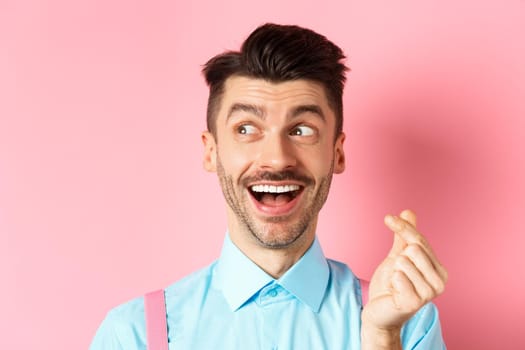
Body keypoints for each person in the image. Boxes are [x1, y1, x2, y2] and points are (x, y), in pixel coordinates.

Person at [90, 23, 448, 349]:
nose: (277, 159)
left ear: (336, 154)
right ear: (212, 151)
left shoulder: (408, 324)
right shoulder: (133, 334)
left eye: (302, 130)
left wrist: (382, 339)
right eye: (246, 129)